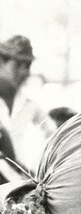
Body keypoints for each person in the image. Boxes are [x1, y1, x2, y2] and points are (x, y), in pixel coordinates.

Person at [0, 35, 56, 171]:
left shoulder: (29, 104)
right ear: (1, 62)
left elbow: (54, 135)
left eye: (28, 65)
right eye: (18, 64)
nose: (24, 71)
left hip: (15, 182)